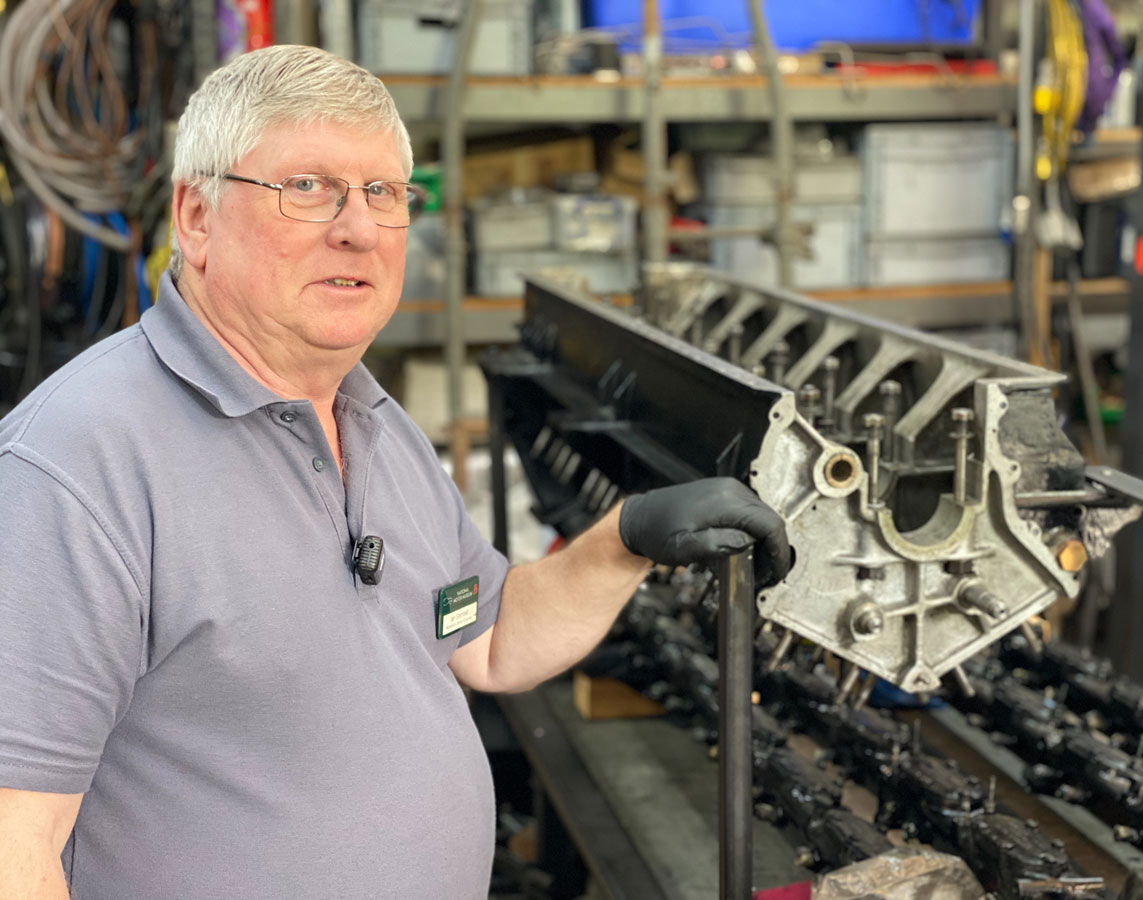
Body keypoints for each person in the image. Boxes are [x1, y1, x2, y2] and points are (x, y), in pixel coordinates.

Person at [0, 45, 789, 900]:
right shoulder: (78, 465)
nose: (359, 227)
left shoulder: (372, 420)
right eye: (307, 187)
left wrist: (624, 539)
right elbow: (14, 845)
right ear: (195, 217)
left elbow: (484, 639)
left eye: (383, 193)